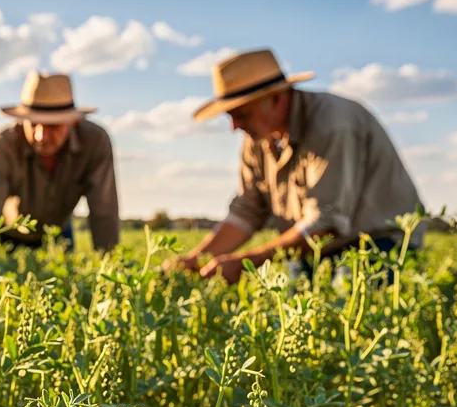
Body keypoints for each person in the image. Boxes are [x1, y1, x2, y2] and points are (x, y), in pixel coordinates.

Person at [162, 49, 426, 283]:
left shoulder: (333, 124)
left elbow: (326, 222)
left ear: (276, 98)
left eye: (241, 114)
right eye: (230, 116)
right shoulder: (257, 139)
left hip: (378, 246)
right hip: (310, 248)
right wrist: (196, 261)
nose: (234, 126)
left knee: (349, 318)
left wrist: (245, 264)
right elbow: (247, 212)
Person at [0, 71, 121, 253]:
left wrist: (111, 267)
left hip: (59, 235)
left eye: (53, 125)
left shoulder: (95, 143)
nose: (40, 136)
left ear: (73, 122)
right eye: (32, 123)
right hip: (10, 234)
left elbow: (104, 211)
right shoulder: (2, 146)